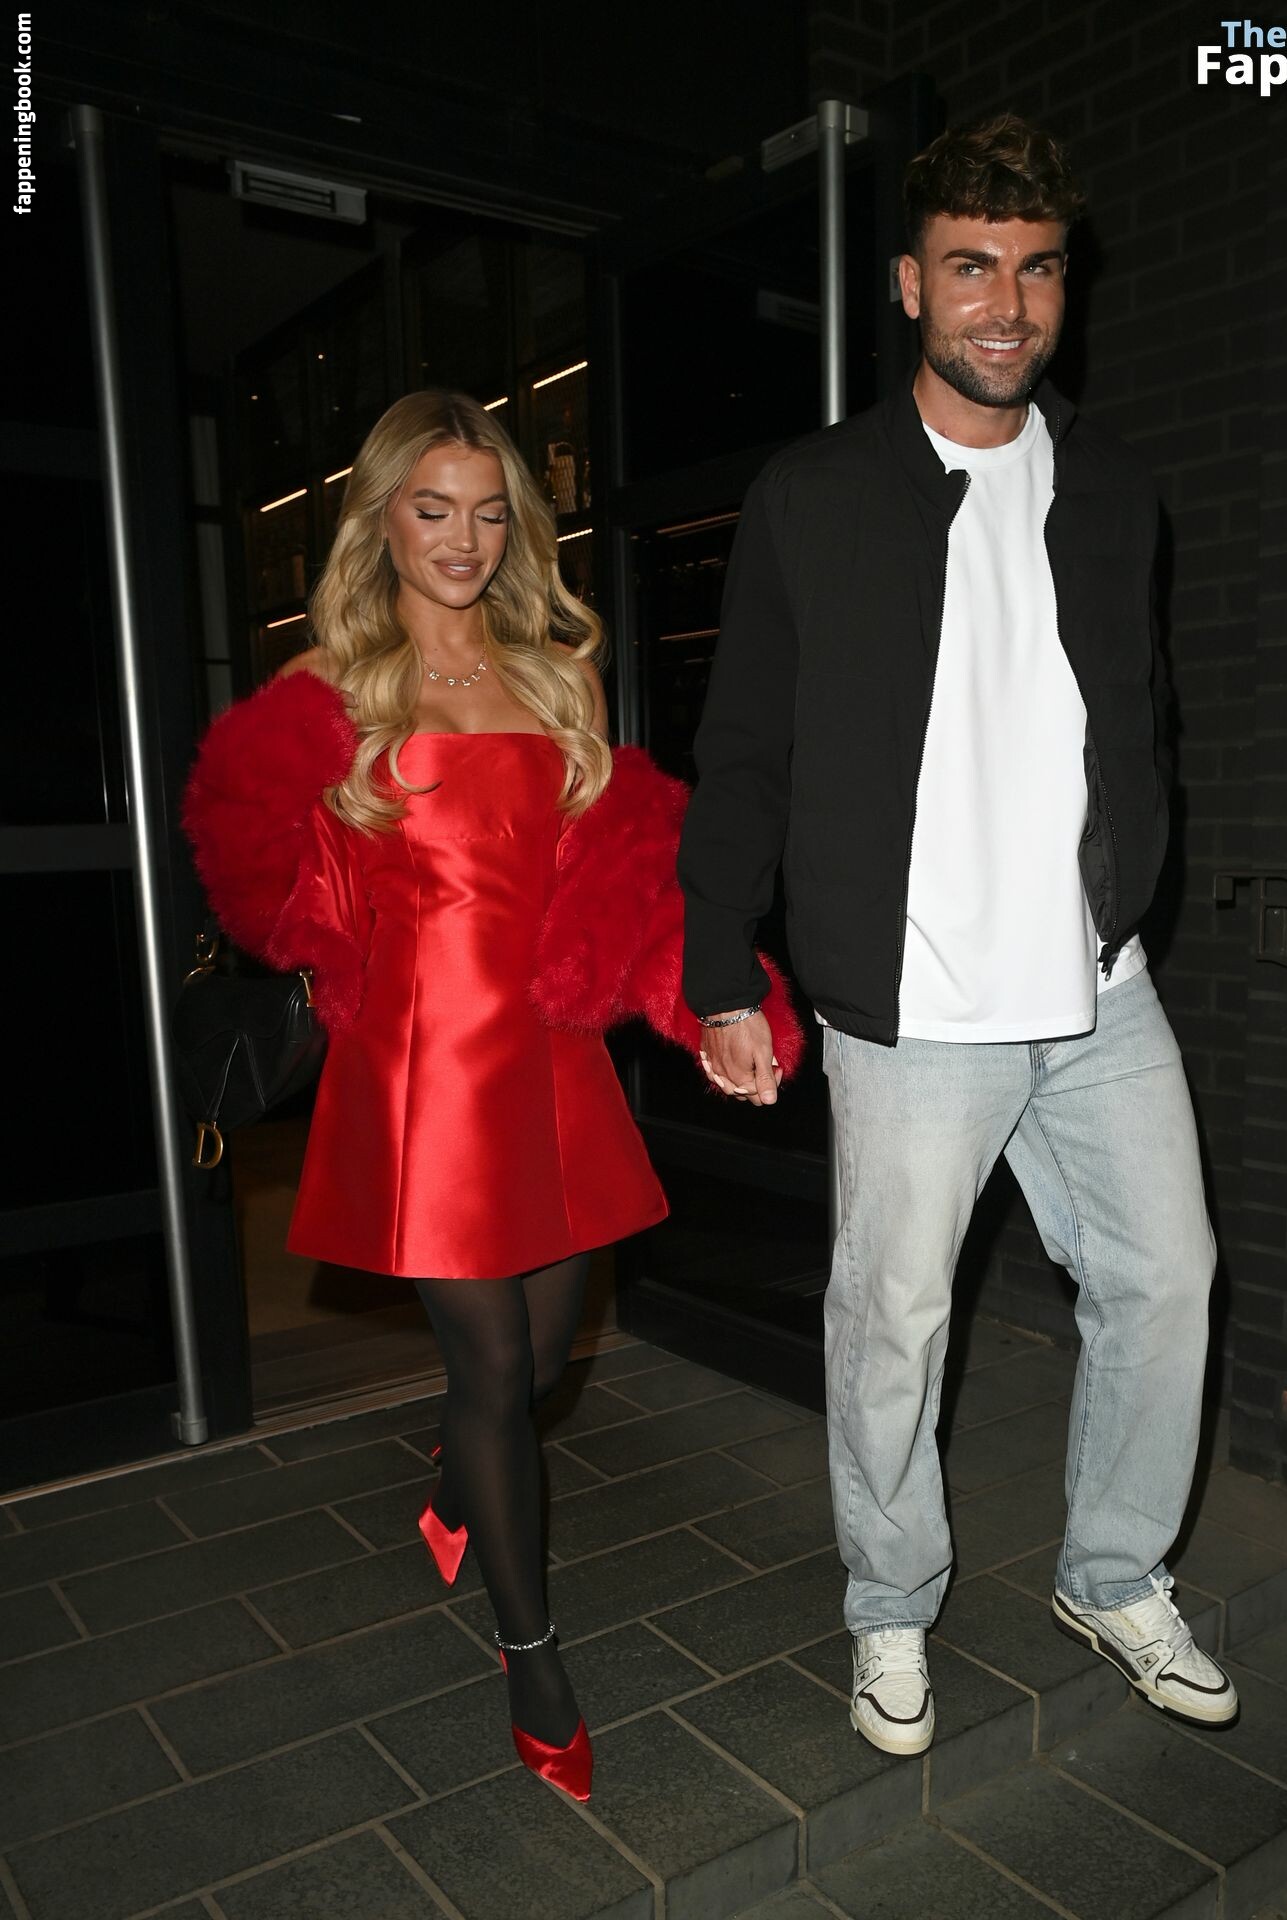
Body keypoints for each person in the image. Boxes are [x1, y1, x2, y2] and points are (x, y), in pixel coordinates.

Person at [680, 115, 1236, 1754]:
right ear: (911, 284)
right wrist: (721, 965)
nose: (1007, 303)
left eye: (1036, 269)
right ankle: (889, 1603)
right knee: (893, 1325)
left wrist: (1131, 884)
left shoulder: (1115, 490)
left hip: (1095, 986)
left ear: (1066, 286)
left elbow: (1132, 717)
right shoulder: (815, 494)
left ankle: (1112, 1572)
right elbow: (745, 747)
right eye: (972, 267)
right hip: (914, 1002)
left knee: (1168, 1278)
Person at [185, 390, 802, 1804]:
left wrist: (717, 1005)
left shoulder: (559, 680)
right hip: (420, 1079)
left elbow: (630, 880)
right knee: (488, 1370)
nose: (461, 539)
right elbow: (265, 884)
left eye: (485, 511)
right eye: (431, 508)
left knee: (539, 1365)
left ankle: (460, 1481)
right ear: (382, 521)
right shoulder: (331, 689)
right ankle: (533, 1657)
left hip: (549, 1059)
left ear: (515, 525)